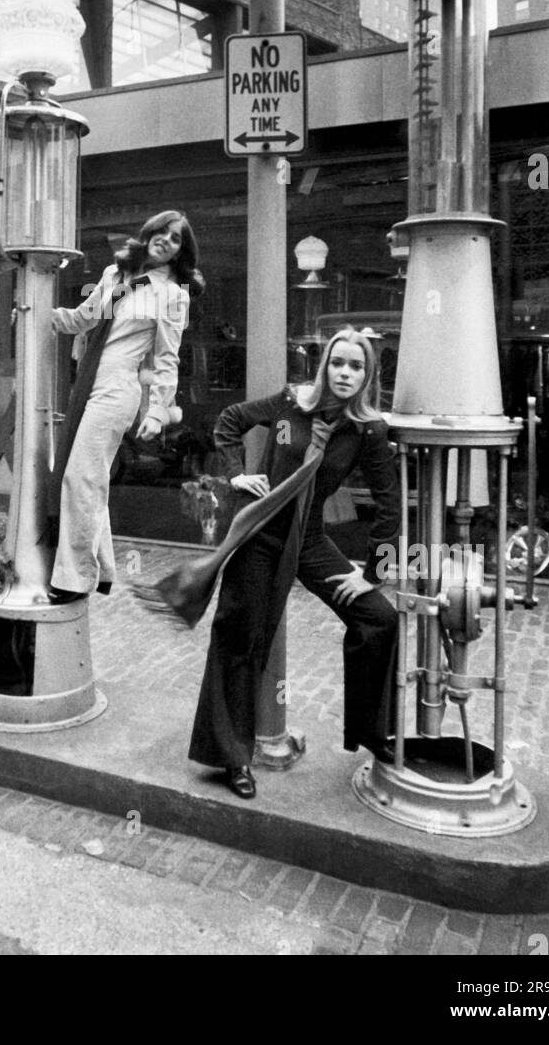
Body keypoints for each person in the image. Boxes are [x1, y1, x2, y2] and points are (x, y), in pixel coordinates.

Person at [188, 326, 400, 799]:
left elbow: (390, 504)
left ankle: (369, 730)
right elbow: (230, 421)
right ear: (326, 365)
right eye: (338, 363)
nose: (346, 373)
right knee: (240, 636)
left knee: (378, 619)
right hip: (262, 534)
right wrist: (238, 475)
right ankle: (231, 758)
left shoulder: (367, 430)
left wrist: (372, 575)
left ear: (368, 376)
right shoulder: (291, 404)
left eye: (357, 366)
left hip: (307, 539)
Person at [47, 210, 204, 600]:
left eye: (176, 238)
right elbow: (86, 319)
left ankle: (74, 578)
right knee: (88, 477)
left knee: (81, 477)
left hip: (118, 390)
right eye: (162, 231)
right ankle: (101, 570)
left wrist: (157, 410)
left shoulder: (170, 294)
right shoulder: (116, 277)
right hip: (87, 383)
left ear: (180, 252)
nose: (166, 239)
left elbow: (168, 358)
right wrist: (40, 317)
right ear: (148, 233)